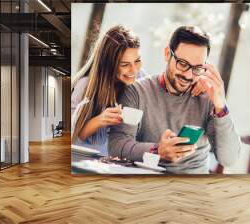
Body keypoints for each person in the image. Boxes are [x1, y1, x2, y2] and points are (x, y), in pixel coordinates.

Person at [109, 26, 241, 174]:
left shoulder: (208, 98)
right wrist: (157, 150)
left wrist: (220, 105)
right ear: (167, 54)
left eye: (197, 68)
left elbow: (229, 159)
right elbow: (117, 145)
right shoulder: (137, 93)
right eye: (183, 64)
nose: (189, 75)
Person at [71, 25, 143, 156]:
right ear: (109, 64)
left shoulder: (140, 77)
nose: (134, 70)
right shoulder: (85, 86)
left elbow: (160, 85)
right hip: (84, 160)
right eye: (125, 64)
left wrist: (193, 83)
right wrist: (100, 120)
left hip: (116, 161)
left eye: (137, 61)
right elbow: (73, 135)